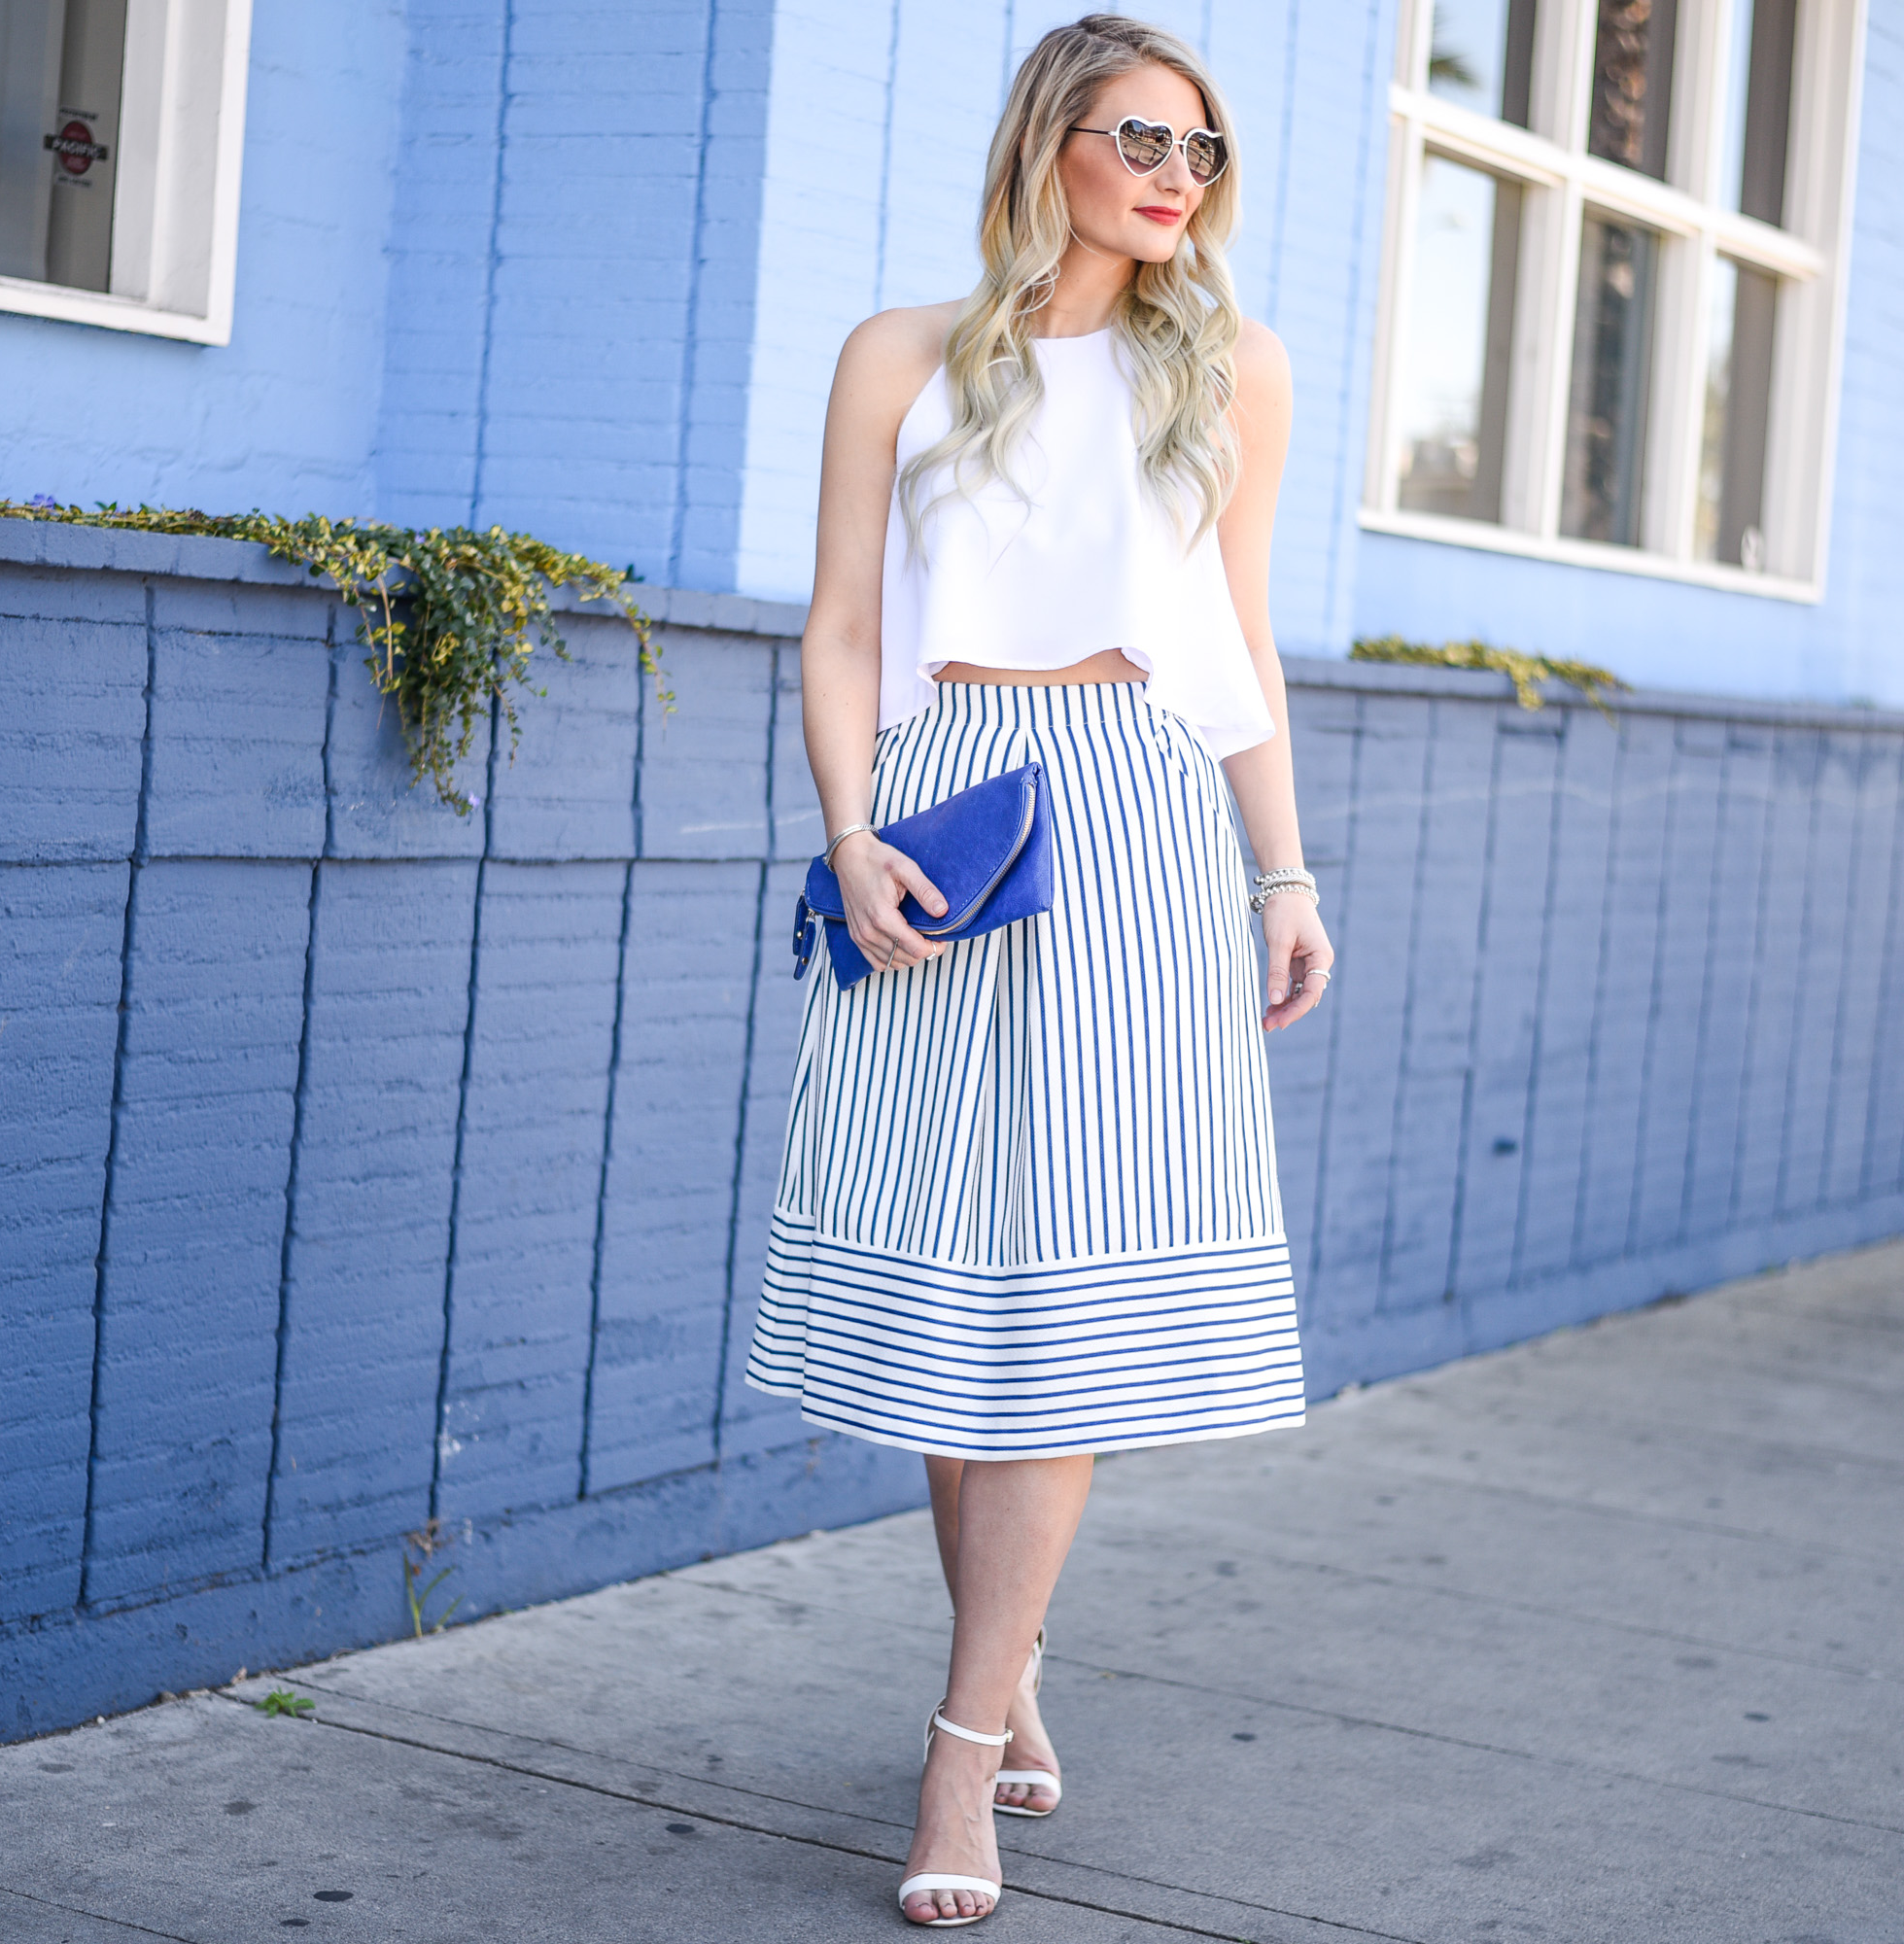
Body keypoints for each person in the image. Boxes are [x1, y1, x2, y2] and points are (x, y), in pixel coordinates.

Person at [744, 13, 1333, 1927]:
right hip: (939, 808)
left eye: (1205, 150)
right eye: (1142, 137)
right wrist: (846, 827)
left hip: (1145, 823)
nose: (1179, 174)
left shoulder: (1233, 370)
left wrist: (1286, 869)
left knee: (1060, 1300)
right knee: (946, 1284)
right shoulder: (901, 358)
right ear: (1049, 143)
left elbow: (1235, 639)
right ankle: (1007, 1668)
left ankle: (954, 1756)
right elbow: (840, 624)